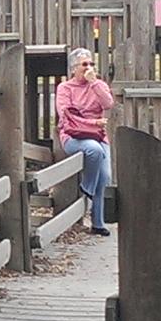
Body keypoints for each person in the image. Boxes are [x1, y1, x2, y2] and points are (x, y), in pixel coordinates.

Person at [55, 46, 115, 235]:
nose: (88, 67)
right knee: (94, 151)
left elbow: (108, 104)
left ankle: (98, 223)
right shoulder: (65, 88)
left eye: (91, 64)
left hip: (98, 135)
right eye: (84, 64)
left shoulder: (99, 85)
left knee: (105, 176)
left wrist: (94, 83)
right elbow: (66, 116)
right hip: (74, 135)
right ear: (74, 68)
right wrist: (93, 122)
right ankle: (86, 187)